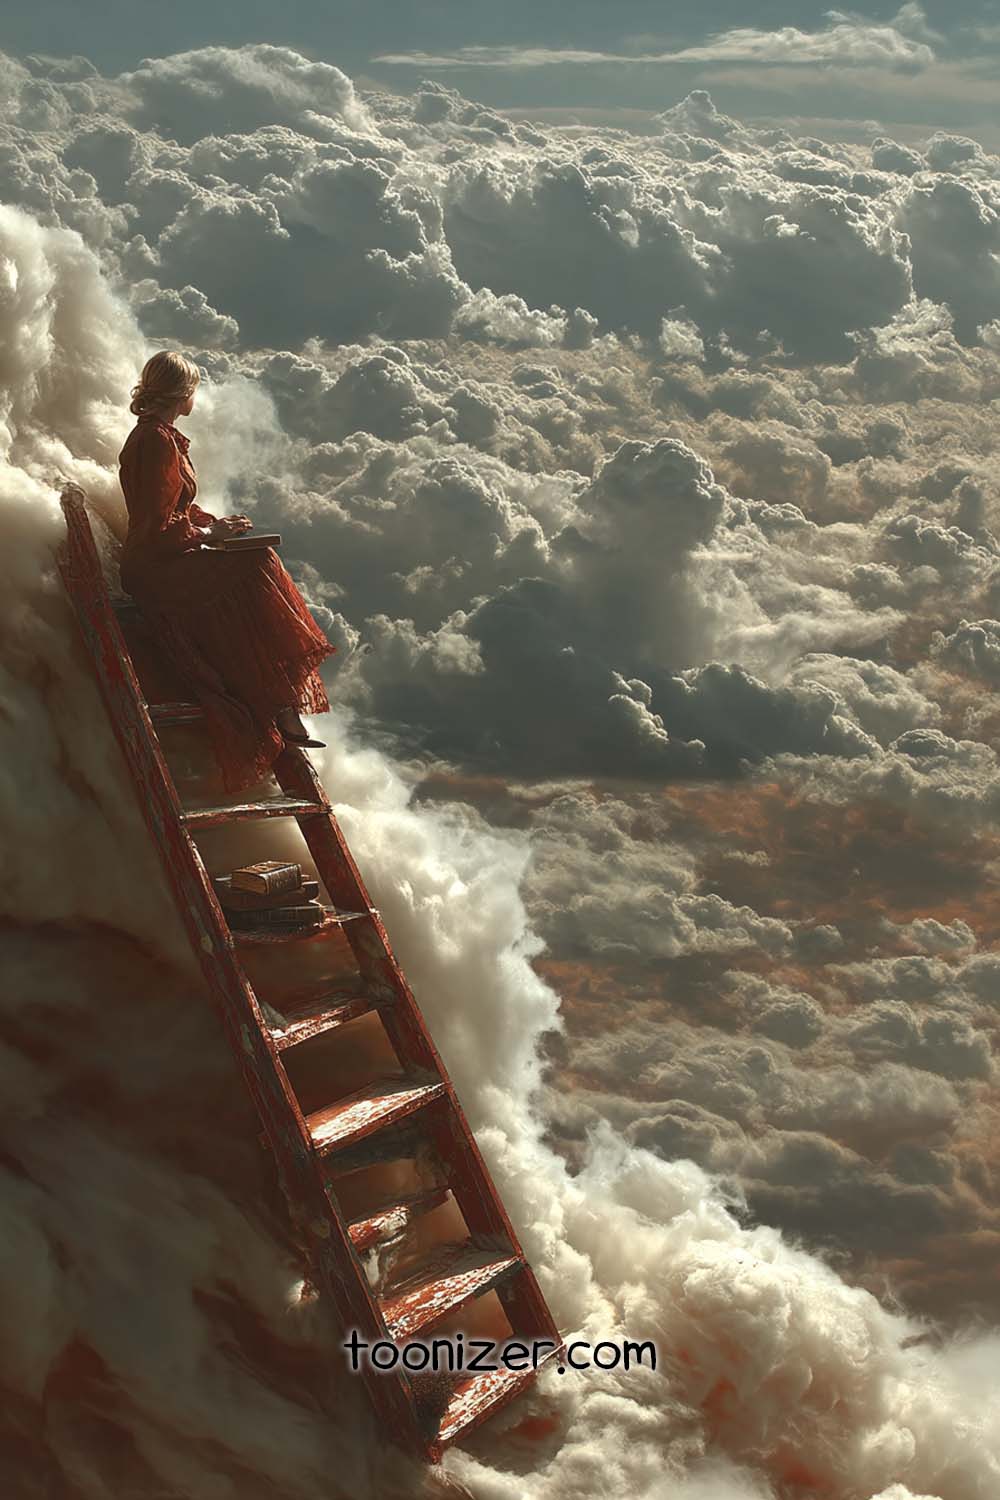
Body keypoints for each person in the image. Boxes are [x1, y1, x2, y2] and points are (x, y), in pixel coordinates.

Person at [118, 351, 337, 794]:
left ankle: (280, 703)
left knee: (254, 560)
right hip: (155, 571)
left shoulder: (160, 437)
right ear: (183, 394)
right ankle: (279, 703)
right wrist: (210, 534)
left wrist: (213, 524)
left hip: (164, 562)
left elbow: (173, 509)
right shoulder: (157, 441)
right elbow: (155, 530)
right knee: (258, 564)